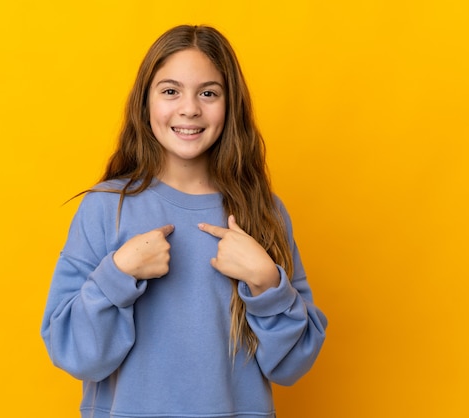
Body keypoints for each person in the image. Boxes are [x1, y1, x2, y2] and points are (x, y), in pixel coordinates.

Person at [41, 24, 327, 418]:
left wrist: (267, 283)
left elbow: (293, 366)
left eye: (208, 93)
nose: (190, 108)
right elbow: (71, 351)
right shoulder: (106, 207)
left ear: (231, 106)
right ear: (145, 103)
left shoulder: (264, 212)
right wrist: (118, 274)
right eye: (170, 91)